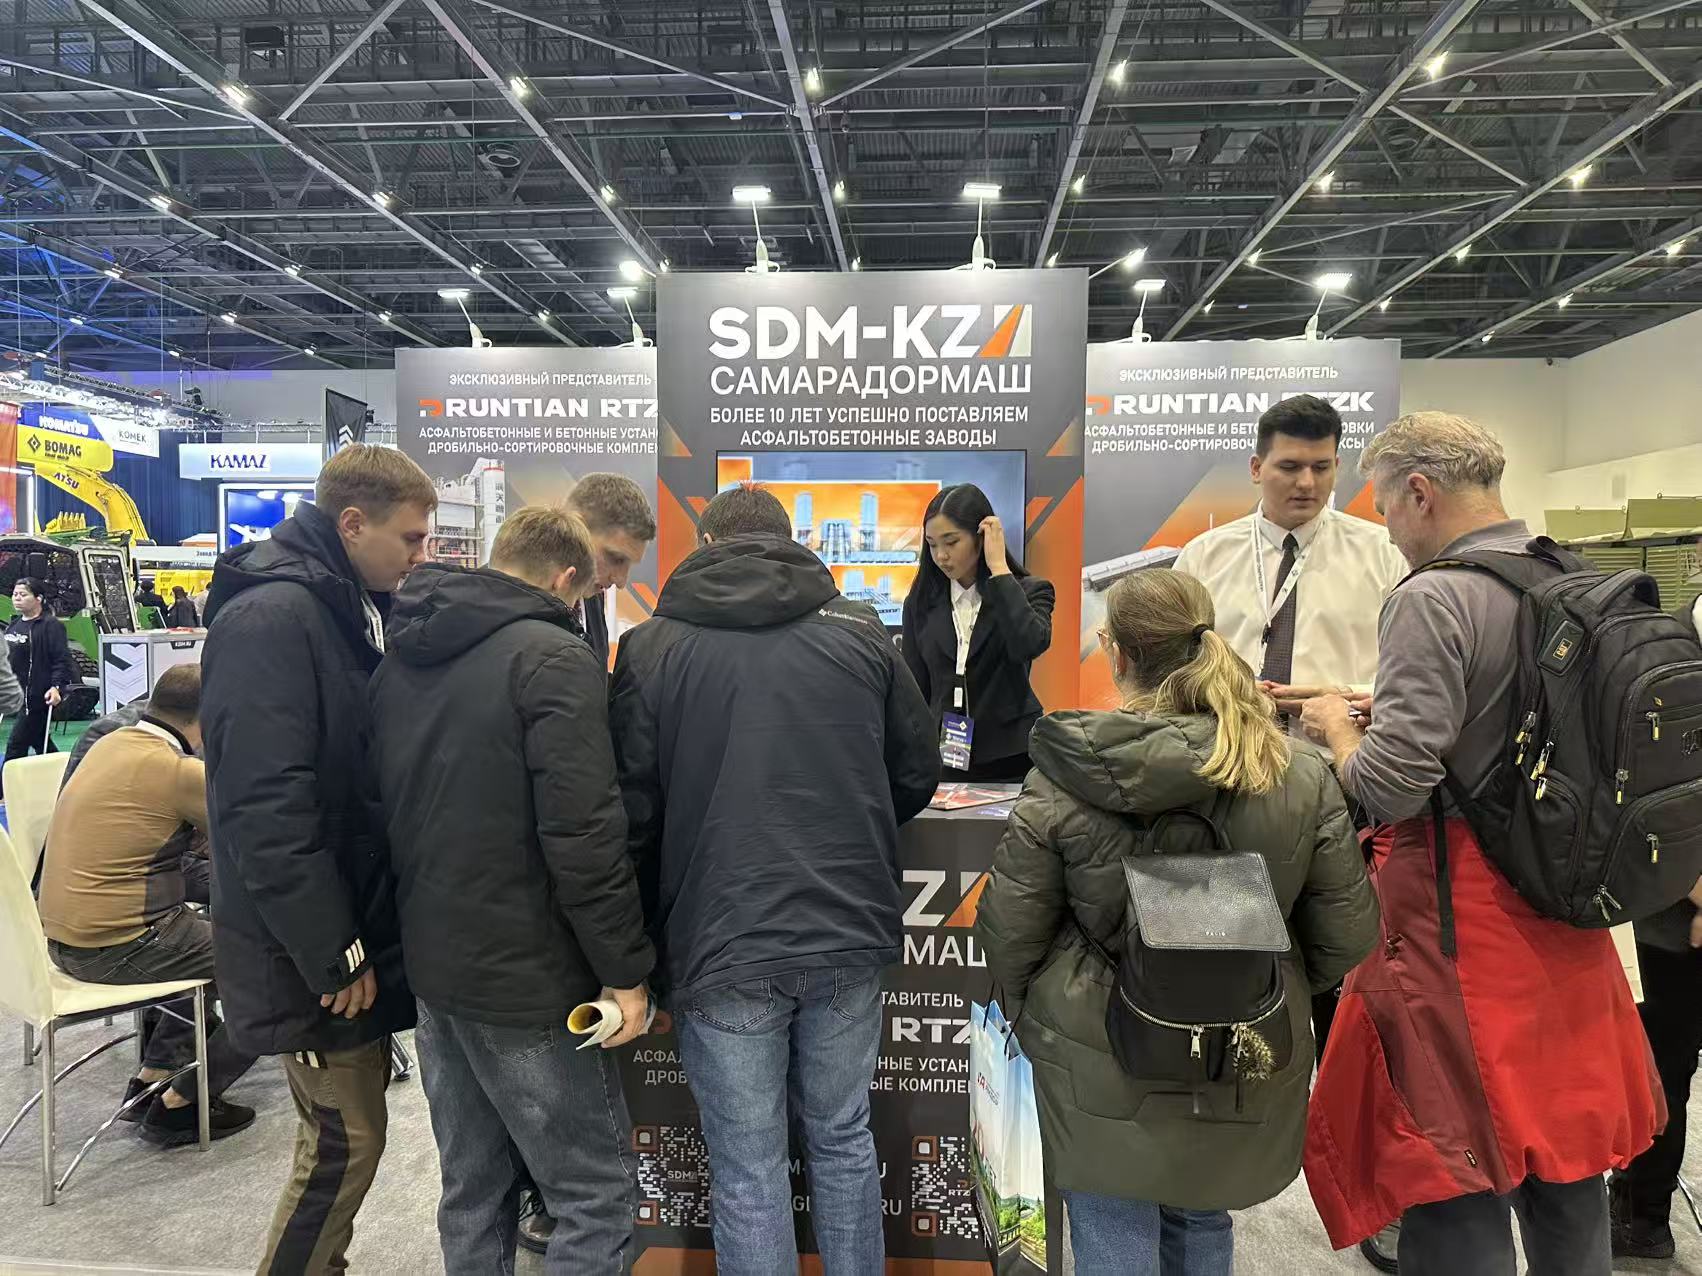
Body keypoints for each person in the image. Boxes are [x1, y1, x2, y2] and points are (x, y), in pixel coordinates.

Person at [1299, 411, 1663, 1276]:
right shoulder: (1573, 577)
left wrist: (1337, 729)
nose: (1387, 526)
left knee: (1452, 1168)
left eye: (1386, 506)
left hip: (1458, 926)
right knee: (1566, 1161)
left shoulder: (1432, 596)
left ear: (1420, 493)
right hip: (1567, 914)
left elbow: (1391, 787)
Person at [975, 568, 1379, 1276]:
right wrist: (1253, 981)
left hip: (1096, 1047)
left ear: (1117, 653)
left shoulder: (1067, 774)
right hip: (1240, 1046)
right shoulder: (1297, 773)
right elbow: (1345, 933)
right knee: (1203, 1212)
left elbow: (1011, 931)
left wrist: (1038, 1012)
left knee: (1111, 1218)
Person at [610, 482, 938, 1276]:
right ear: (794, 542)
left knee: (748, 1164)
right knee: (842, 1137)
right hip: (846, 924)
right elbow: (915, 772)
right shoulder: (861, 631)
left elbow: (631, 811)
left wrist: (639, 945)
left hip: (719, 933)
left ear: (705, 543)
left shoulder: (652, 646)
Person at [372, 506, 654, 1275]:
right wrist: (624, 970)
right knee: (595, 1195)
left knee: (472, 1187)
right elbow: (584, 834)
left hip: (436, 963)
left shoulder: (404, 654)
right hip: (527, 973)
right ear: (565, 579)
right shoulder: (552, 657)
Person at [201, 443, 436, 1275]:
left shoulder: (335, 607)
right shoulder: (274, 619)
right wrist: (332, 949)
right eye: (411, 538)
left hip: (335, 931)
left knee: (349, 1136)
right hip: (305, 949)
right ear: (353, 523)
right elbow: (266, 808)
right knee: (343, 1141)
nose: (420, 556)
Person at [515, 474, 656, 1255]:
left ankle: (543, 1200)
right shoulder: (530, 633)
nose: (617, 579)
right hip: (530, 900)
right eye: (612, 558)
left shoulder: (585, 610)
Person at [36, 664, 259, 1145]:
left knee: (198, 936)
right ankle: (185, 1101)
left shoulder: (111, 743)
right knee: (274, 976)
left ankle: (155, 1075)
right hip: (121, 945)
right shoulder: (177, 771)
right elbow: (252, 850)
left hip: (64, 941)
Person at [900, 483, 1054, 782]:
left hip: (1012, 753)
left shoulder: (1028, 591)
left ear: (980, 537)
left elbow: (1028, 644)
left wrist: (999, 568)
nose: (941, 555)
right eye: (932, 544)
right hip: (946, 753)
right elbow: (915, 688)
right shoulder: (920, 603)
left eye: (951, 542)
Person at [62, 697, 208, 905]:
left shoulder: (169, 720)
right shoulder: (116, 733)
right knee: (247, 883)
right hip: (118, 879)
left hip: (130, 866)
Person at [564, 471, 657, 668]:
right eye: (616, 558)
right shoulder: (514, 607)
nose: (621, 581)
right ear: (576, 526)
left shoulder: (592, 597)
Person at [5, 577, 78, 760]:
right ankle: (62, 771)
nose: (17, 598)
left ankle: (7, 779)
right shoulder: (14, 625)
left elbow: (61, 659)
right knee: (40, 740)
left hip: (38, 696)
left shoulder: (51, 626)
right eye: (15, 594)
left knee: (16, 744)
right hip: (16, 692)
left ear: (38, 598)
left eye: (23, 594)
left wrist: (56, 687)